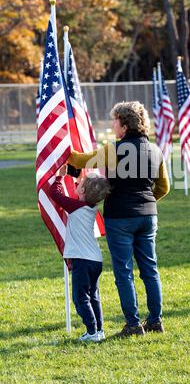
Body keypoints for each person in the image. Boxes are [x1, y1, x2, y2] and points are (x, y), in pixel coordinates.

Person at [68, 101, 170, 337]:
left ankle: (133, 325)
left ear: (124, 126)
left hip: (120, 218)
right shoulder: (156, 151)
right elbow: (164, 188)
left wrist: (64, 147)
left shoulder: (113, 150)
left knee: (124, 272)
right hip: (148, 216)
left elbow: (80, 161)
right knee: (150, 270)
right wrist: (144, 202)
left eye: (114, 121)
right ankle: (155, 321)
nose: (112, 125)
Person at [48, 167, 111, 342]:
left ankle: (91, 331)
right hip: (95, 259)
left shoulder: (76, 206)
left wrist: (60, 178)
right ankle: (99, 330)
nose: (78, 181)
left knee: (80, 297)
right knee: (93, 295)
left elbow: (56, 194)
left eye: (81, 183)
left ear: (82, 191)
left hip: (82, 260)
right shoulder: (89, 207)